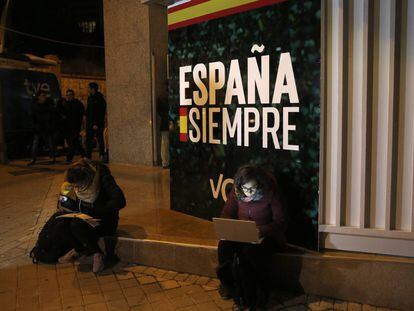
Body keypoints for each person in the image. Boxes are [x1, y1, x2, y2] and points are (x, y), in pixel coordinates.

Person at [216, 165, 286, 309]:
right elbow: (227, 213)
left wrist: (261, 230)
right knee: (224, 247)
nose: (248, 192)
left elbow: (280, 222)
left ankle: (256, 293)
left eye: (252, 188)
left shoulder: (270, 193)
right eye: (245, 189)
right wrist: (230, 227)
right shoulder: (237, 193)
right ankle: (229, 285)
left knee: (250, 253)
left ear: (260, 184)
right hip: (242, 234)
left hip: (266, 236)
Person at [56, 159, 126, 272]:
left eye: (79, 185)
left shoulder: (102, 178)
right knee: (59, 222)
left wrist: (95, 208)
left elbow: (120, 201)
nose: (77, 188)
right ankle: (79, 249)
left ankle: (97, 254)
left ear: (87, 178)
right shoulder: (79, 183)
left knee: (76, 225)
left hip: (105, 220)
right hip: (87, 216)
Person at [28, 91, 57, 166]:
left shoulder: (49, 106)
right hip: (38, 128)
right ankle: (33, 159)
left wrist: (51, 126)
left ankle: (52, 157)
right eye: (41, 95)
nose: (43, 97)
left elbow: (53, 117)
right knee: (35, 145)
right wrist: (34, 126)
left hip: (47, 128)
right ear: (38, 97)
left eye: (44, 95)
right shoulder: (35, 106)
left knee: (50, 144)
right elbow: (32, 117)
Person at [57, 89, 86, 163]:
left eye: (70, 95)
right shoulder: (65, 104)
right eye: (67, 95)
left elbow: (82, 114)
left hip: (75, 127)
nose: (68, 96)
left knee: (72, 142)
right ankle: (84, 154)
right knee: (74, 142)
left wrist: (80, 124)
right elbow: (60, 112)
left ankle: (69, 158)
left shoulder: (78, 104)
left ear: (73, 95)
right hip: (67, 127)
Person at [85, 82, 106, 161]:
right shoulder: (90, 98)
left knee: (100, 139)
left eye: (88, 88)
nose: (87, 89)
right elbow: (89, 110)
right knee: (88, 140)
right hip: (89, 123)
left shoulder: (99, 98)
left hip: (97, 124)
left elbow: (100, 112)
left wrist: (96, 123)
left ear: (92, 89)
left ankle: (101, 155)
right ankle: (88, 156)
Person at [157, 95, 170, 168]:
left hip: (165, 125)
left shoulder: (161, 100)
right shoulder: (162, 100)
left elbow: (160, 113)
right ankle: (165, 162)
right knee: (165, 144)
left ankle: (165, 162)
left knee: (165, 144)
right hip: (166, 125)